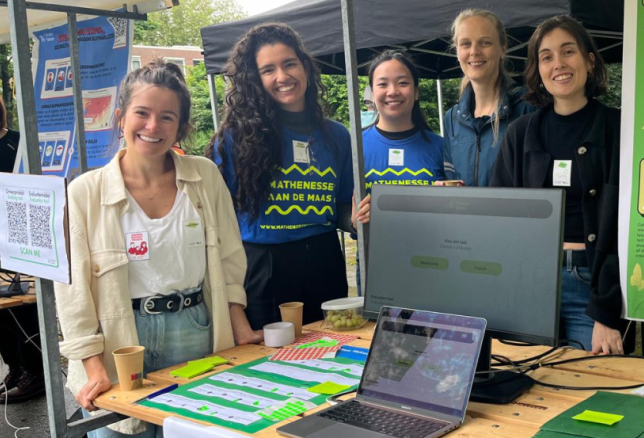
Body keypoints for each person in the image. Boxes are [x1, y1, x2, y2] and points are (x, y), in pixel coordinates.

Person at [55, 60, 256, 437]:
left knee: (199, 430)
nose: (152, 127)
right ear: (120, 117)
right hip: (120, 342)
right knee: (119, 431)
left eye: (167, 117)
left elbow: (230, 257)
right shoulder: (84, 192)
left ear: (180, 127)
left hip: (196, 329)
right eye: (142, 113)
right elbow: (72, 293)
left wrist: (240, 327)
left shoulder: (204, 177)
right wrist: (93, 366)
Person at [490, 16, 633, 355]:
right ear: (537, 69)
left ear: (589, 59)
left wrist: (608, 312)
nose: (559, 64)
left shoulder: (619, 129)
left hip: (594, 286)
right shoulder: (520, 133)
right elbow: (501, 218)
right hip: (533, 287)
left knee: (595, 389)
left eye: (568, 52)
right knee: (529, 387)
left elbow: (630, 227)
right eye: (547, 56)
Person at [207, 23, 354, 329]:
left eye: (289, 64)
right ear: (255, 79)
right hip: (263, 268)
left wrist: (354, 220)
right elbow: (219, 225)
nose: (282, 77)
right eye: (268, 69)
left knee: (332, 354)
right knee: (271, 365)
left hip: (325, 260)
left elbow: (341, 208)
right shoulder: (236, 139)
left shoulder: (337, 136)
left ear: (305, 68)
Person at [0, 86, 45, 404]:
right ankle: (15, 367)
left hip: (18, 232)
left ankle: (36, 372)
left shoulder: (17, 141)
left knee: (24, 306)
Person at [442, 8, 536, 187]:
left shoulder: (529, 107)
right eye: (465, 44)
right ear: (457, 51)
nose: (474, 51)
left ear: (503, 48)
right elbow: (451, 181)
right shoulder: (451, 120)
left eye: (485, 43)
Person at [352, 50, 446, 226]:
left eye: (402, 83)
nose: (393, 91)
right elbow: (342, 207)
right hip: (374, 252)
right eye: (382, 84)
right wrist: (353, 222)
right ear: (372, 93)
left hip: (429, 252)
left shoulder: (441, 147)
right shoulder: (354, 146)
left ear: (416, 92)